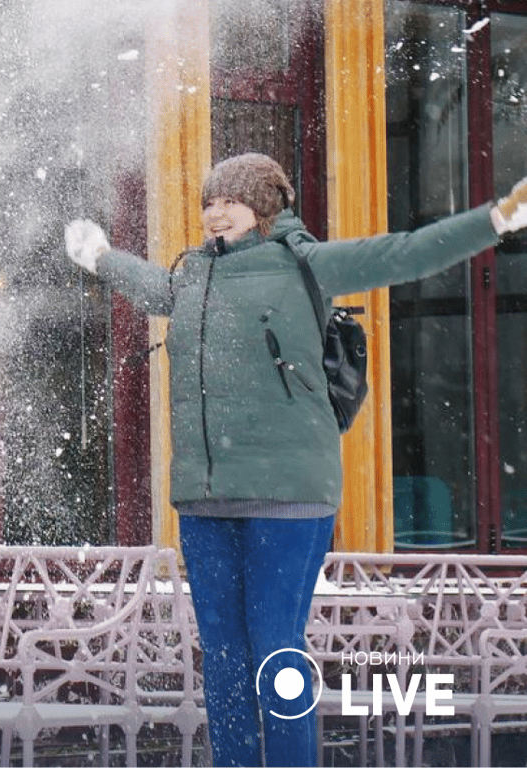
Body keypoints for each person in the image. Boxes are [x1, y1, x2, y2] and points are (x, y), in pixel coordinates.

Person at [63, 153, 527, 768]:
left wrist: (496, 218)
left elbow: (404, 253)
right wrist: (100, 258)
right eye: (208, 201)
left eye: (230, 200)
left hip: (288, 494)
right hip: (206, 497)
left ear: (264, 207)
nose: (215, 212)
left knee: (276, 649)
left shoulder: (305, 262)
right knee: (224, 656)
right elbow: (152, 287)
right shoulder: (193, 276)